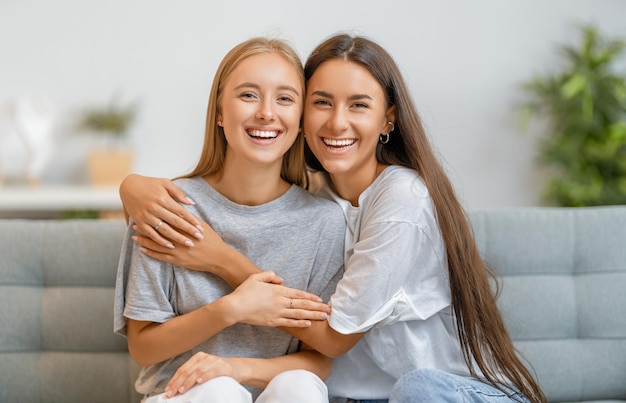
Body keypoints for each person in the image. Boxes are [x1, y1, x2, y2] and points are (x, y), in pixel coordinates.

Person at [120, 33, 547, 403]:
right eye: (322, 102)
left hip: (440, 391)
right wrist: (131, 187)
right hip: (350, 394)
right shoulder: (319, 194)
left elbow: (332, 341)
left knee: (407, 389)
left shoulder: (397, 201)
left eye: (358, 105)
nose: (337, 121)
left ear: (388, 119)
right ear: (305, 117)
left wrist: (221, 261)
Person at [113, 37, 346, 403]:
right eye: (248, 95)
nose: (267, 113)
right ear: (220, 112)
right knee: (219, 393)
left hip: (274, 390)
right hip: (183, 394)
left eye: (284, 98)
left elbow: (320, 361)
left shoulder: (324, 222)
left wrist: (235, 367)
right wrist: (230, 309)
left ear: (300, 120)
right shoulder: (168, 207)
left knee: (299, 386)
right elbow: (143, 349)